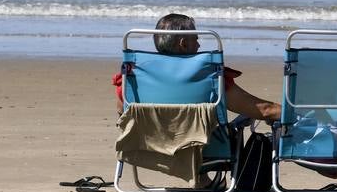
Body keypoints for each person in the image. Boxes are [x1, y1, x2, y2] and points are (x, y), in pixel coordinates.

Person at [113, 13, 281, 122]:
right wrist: (299, 114)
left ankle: (203, 179)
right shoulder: (209, 76)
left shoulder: (133, 76)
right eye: (196, 39)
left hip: (147, 147)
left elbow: (122, 112)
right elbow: (265, 111)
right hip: (201, 146)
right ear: (184, 44)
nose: (199, 44)